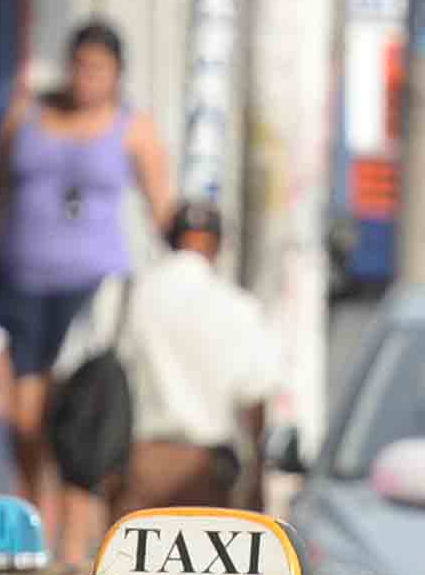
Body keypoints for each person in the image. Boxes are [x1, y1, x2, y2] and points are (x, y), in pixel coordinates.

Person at [0, 22, 171, 565]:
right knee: (23, 411)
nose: (86, 78)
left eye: (98, 69)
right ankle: (35, 511)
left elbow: (163, 213)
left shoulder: (133, 129)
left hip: (94, 290)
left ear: (117, 75)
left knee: (77, 409)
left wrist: (178, 279)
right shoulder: (27, 116)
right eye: (79, 65)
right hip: (23, 281)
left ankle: (74, 537)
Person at [76, 196, 281, 518]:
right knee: (204, 565)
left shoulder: (126, 296)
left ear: (168, 239)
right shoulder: (239, 308)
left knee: (130, 566)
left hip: (135, 467)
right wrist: (256, 478)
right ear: (218, 245)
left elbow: (85, 372)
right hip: (207, 471)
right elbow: (255, 399)